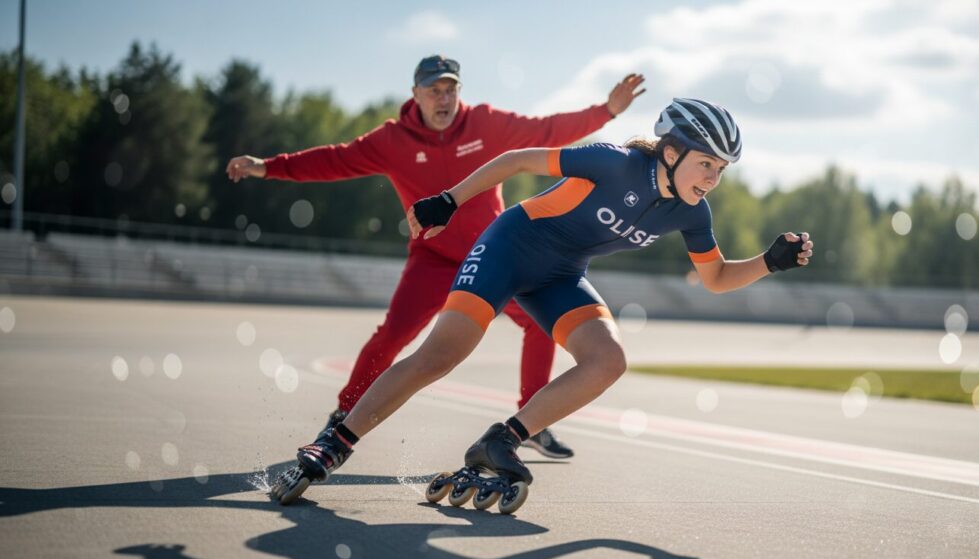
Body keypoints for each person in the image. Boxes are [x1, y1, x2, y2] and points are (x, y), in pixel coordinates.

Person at [270, 97, 814, 509]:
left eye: (722, 170)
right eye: (707, 165)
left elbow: (715, 277)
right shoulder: (613, 162)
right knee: (441, 354)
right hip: (512, 246)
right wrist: (449, 201)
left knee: (609, 361)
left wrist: (768, 262)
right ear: (671, 152)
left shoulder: (692, 214)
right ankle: (334, 442)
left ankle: (499, 441)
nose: (714, 179)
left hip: (559, 275)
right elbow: (513, 160)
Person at [227, 56, 646, 458]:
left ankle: (530, 424)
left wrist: (606, 110)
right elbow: (335, 160)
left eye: (451, 89)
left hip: (494, 255)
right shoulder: (392, 140)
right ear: (416, 94)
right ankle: (342, 417)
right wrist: (268, 166)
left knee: (540, 327)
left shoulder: (486, 123)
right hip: (432, 258)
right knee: (392, 335)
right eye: (434, 90)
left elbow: (548, 129)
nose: (443, 98)